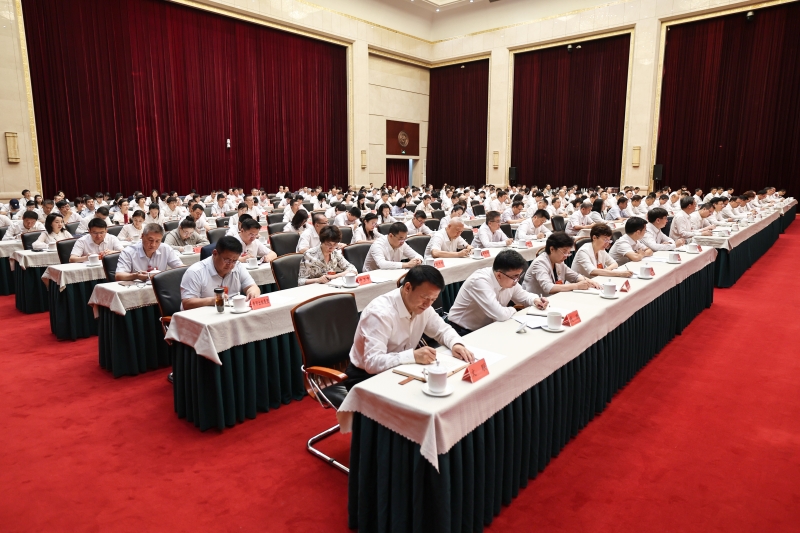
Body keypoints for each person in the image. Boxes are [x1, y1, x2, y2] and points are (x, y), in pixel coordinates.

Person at [344, 265, 474, 389]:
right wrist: (412, 356)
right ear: (407, 288)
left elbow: (442, 330)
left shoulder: (423, 306)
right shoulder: (380, 313)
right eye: (425, 297)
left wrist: (456, 344)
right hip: (366, 377)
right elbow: (373, 362)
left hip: (402, 368)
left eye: (433, 300)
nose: (428, 304)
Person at [446, 250, 549, 335]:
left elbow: (524, 296)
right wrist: (513, 309)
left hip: (487, 327)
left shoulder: (508, 279)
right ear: (499, 275)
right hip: (462, 330)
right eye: (515, 277)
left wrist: (535, 300)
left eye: (519, 276)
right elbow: (500, 315)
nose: (517, 280)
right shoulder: (479, 281)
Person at [179, 236, 260, 311]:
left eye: (234, 261)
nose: (230, 264)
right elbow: (187, 303)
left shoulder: (238, 266)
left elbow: (253, 287)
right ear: (215, 254)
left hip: (230, 313)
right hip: (202, 316)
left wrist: (252, 292)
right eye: (227, 260)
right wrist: (213, 300)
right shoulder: (195, 272)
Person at [522, 232, 602, 295]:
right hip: (536, 303)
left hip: (553, 298)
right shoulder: (539, 263)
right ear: (552, 249)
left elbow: (575, 276)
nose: (566, 256)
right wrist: (577, 286)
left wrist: (589, 281)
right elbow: (548, 288)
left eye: (568, 253)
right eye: (564, 252)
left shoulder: (558, 261)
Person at [115, 224, 184, 281]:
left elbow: (180, 268)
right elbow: (119, 276)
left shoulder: (165, 249)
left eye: (157, 241)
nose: (153, 245)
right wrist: (136, 276)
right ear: (142, 236)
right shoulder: (128, 252)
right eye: (150, 240)